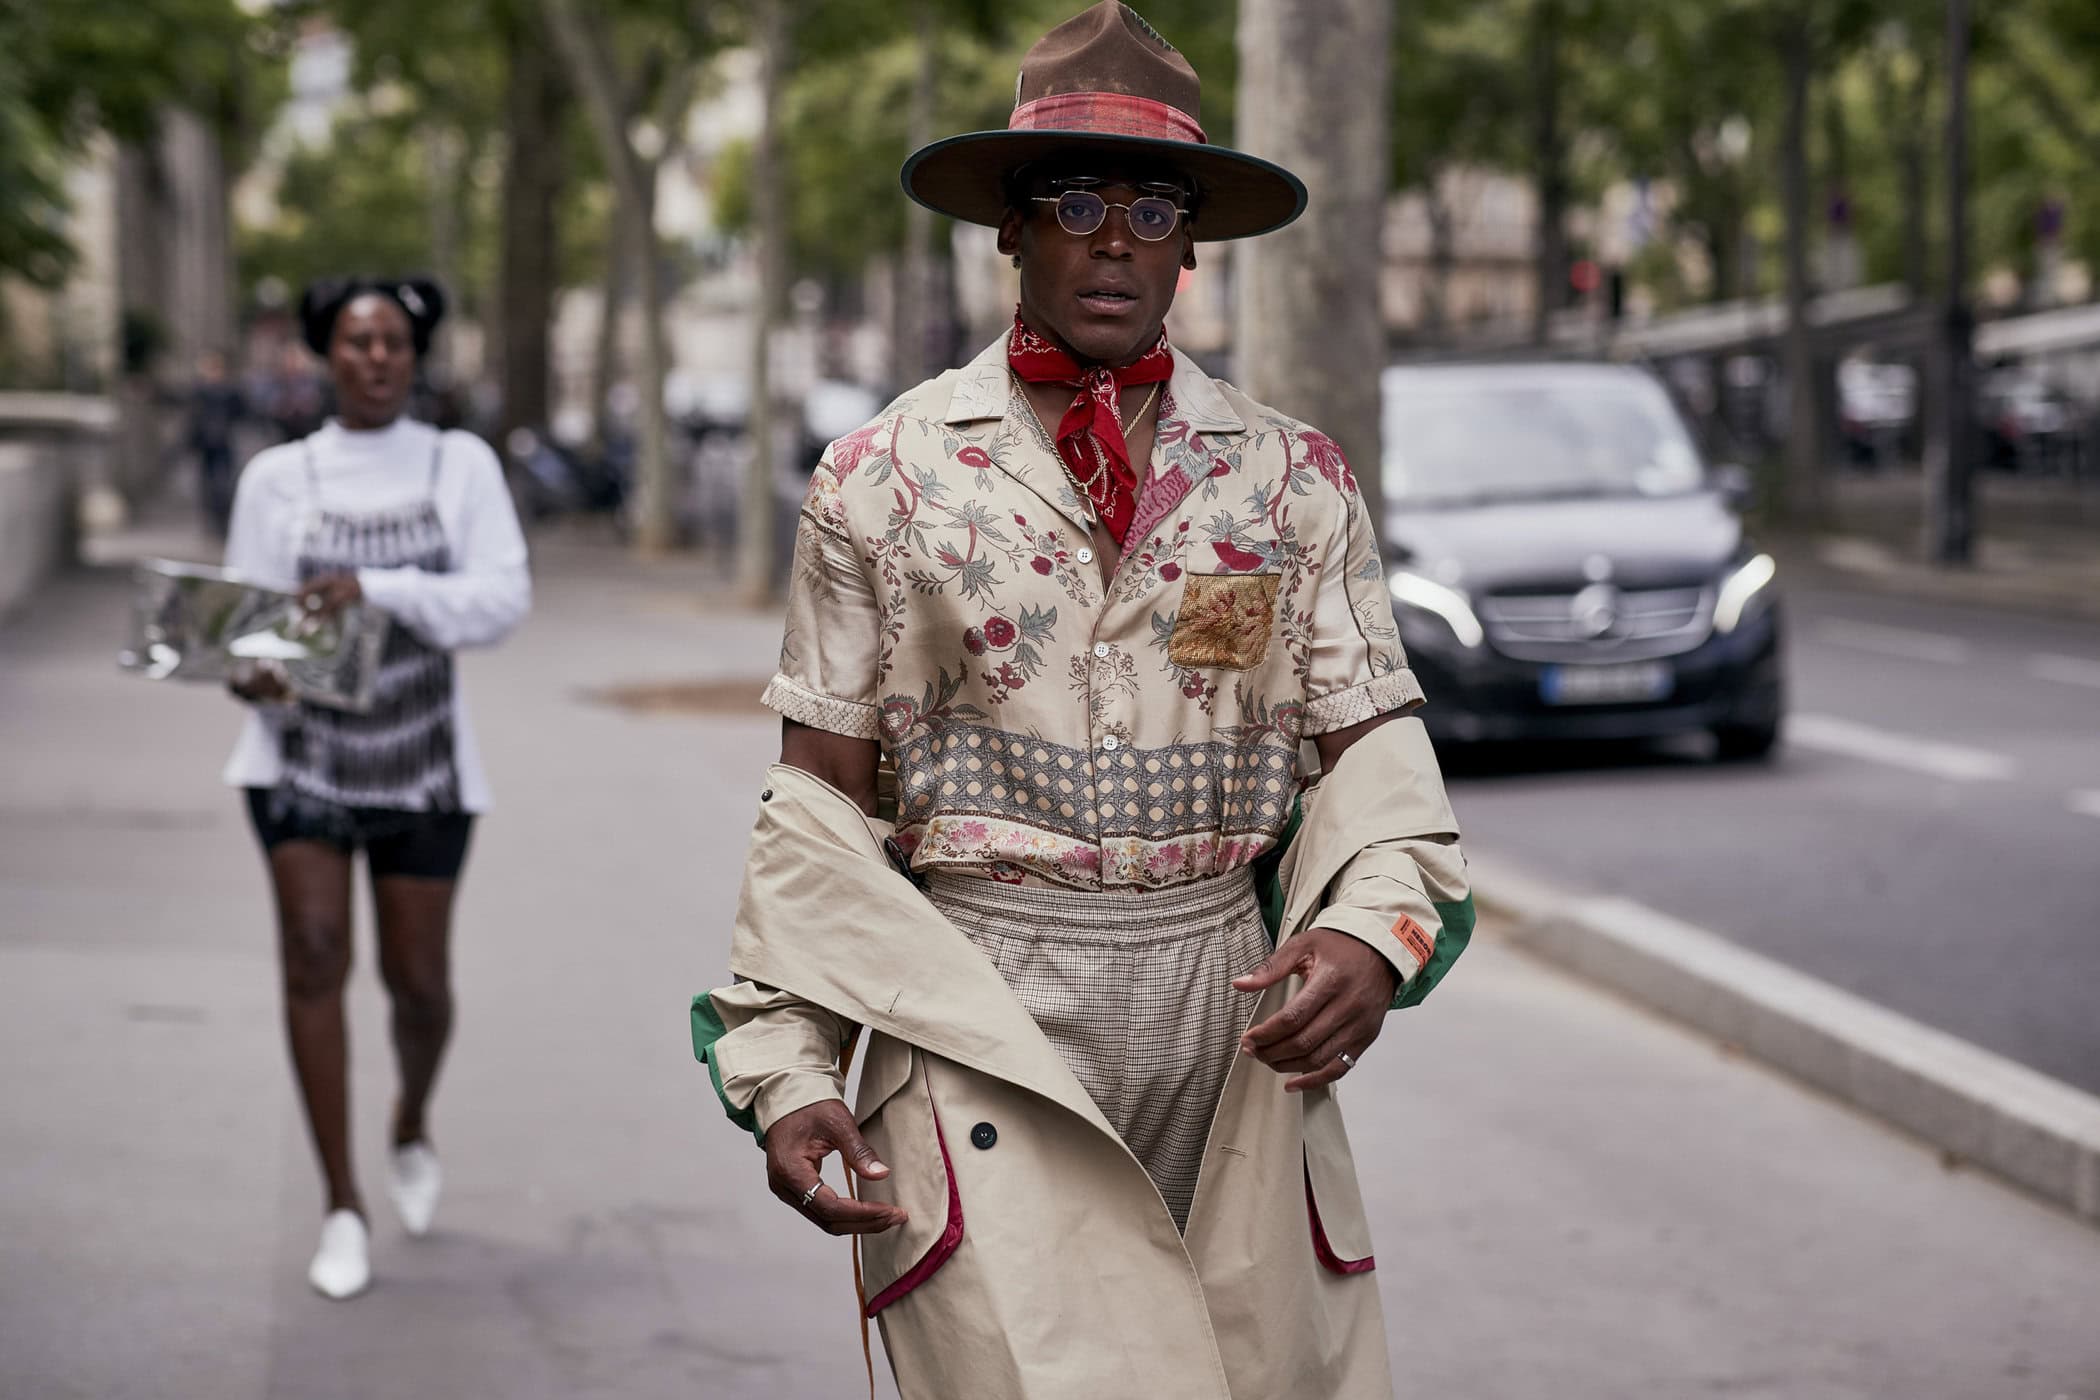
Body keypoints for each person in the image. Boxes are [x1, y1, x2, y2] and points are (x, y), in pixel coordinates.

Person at [693, 5, 1474, 1396]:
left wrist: (1369, 930)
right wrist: (788, 1065)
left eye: (1154, 204)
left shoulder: (1294, 483)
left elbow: (1376, 756)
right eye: (1075, 198)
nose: (1115, 237)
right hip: (974, 1019)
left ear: (1191, 242)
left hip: (1227, 1029)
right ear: (1010, 225)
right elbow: (818, 807)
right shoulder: (881, 480)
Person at [221, 276, 531, 1299]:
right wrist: (251, 669)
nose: (376, 357)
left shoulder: (459, 463)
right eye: (356, 341)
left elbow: (501, 598)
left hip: (423, 768)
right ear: (324, 353)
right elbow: (250, 623)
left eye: (394, 340)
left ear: (417, 352)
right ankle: (342, 1202)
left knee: (418, 985)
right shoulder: (277, 477)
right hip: (297, 763)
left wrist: (381, 588)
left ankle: (408, 1113)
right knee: (314, 959)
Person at [187, 350, 247, 535]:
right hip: (206, 444)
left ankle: (223, 519)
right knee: (208, 484)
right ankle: (213, 521)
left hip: (222, 443)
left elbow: (242, 411)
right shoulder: (200, 391)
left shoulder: (228, 391)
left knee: (223, 483)